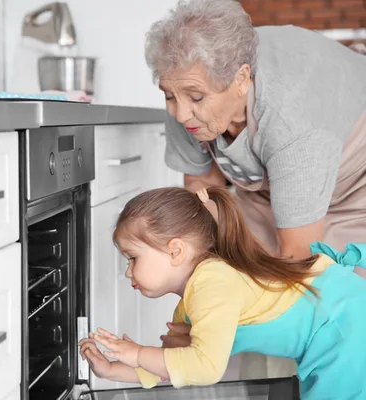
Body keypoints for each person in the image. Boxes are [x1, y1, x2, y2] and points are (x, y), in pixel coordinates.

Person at [144, 0, 366, 378]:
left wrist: (216, 336)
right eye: (169, 95)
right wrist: (198, 310)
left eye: (196, 99)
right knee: (235, 273)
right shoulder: (186, 85)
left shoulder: (294, 120)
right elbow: (204, 204)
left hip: (355, 183)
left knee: (339, 307)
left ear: (242, 79)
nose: (180, 114)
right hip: (268, 182)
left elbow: (298, 262)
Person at [78, 187, 366, 400]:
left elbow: (205, 368)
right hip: (336, 314)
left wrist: (139, 353)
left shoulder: (212, 283)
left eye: (133, 258)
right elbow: (175, 365)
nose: (128, 272)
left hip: (341, 323)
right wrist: (112, 370)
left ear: (175, 251)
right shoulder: (193, 298)